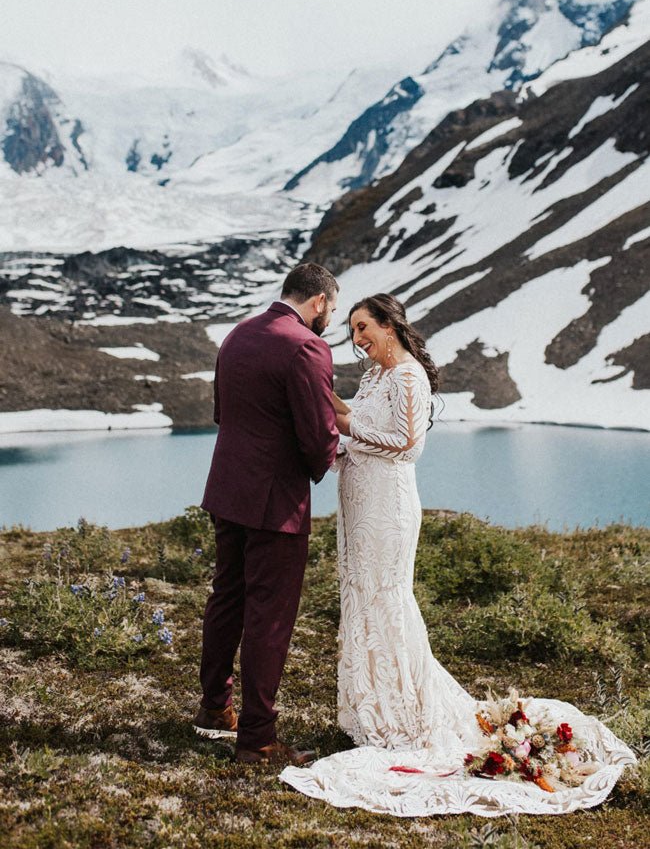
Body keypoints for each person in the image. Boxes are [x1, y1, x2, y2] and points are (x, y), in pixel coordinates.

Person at [280, 293, 635, 816]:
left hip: (389, 505)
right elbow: (359, 421)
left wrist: (344, 425)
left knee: (387, 598)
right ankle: (370, 710)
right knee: (361, 597)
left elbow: (405, 443)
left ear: (389, 325)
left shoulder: (407, 377)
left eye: (363, 328)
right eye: (351, 330)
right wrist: (329, 404)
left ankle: (403, 717)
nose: (356, 339)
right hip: (358, 500)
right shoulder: (376, 376)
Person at [194, 263, 340, 766]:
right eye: (332, 310)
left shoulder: (237, 335)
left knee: (227, 596)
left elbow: (222, 414)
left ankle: (215, 707)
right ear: (319, 302)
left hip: (226, 490)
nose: (329, 320)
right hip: (274, 502)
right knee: (270, 617)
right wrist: (322, 462)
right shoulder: (305, 346)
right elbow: (319, 438)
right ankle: (257, 738)